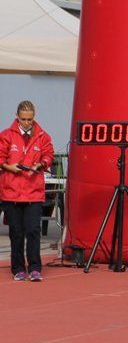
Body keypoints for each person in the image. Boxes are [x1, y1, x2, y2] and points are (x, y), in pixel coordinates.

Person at [0, 101, 54, 282]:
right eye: (23, 119)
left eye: (29, 119)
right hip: (12, 192)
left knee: (33, 231)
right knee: (16, 233)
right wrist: (9, 166)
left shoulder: (42, 136)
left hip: (33, 192)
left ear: (34, 117)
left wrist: (40, 164)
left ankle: (35, 268)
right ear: (17, 117)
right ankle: (18, 268)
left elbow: (48, 155)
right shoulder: (6, 135)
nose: (26, 123)